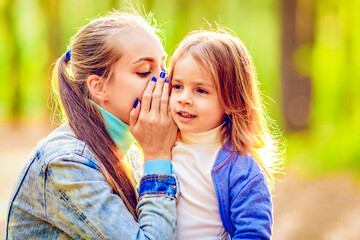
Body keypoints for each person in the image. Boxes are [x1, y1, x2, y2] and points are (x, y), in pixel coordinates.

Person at [5, 11, 179, 239]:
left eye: (163, 69)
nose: (164, 83)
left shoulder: (132, 154)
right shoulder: (66, 163)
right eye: (145, 72)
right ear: (99, 87)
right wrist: (158, 155)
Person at [168, 29, 282, 239]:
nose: (184, 98)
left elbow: (253, 233)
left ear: (231, 100)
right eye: (177, 86)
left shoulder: (241, 170)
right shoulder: (158, 147)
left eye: (200, 90)